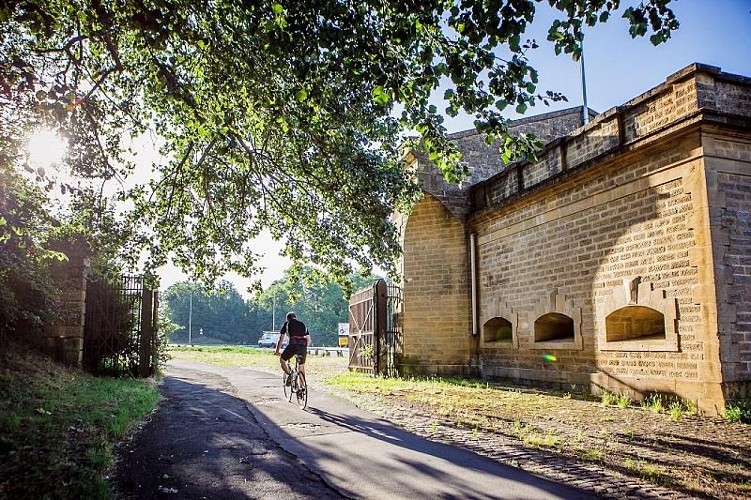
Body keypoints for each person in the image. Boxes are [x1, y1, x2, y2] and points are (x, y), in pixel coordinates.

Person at [274, 311, 311, 385]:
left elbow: (281, 338)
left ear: (287, 319)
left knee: (282, 360)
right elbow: (309, 340)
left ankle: (290, 374)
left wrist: (277, 351)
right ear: (295, 317)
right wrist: (304, 349)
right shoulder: (303, 324)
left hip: (293, 345)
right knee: (301, 367)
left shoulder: (287, 324)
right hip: (303, 346)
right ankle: (302, 387)